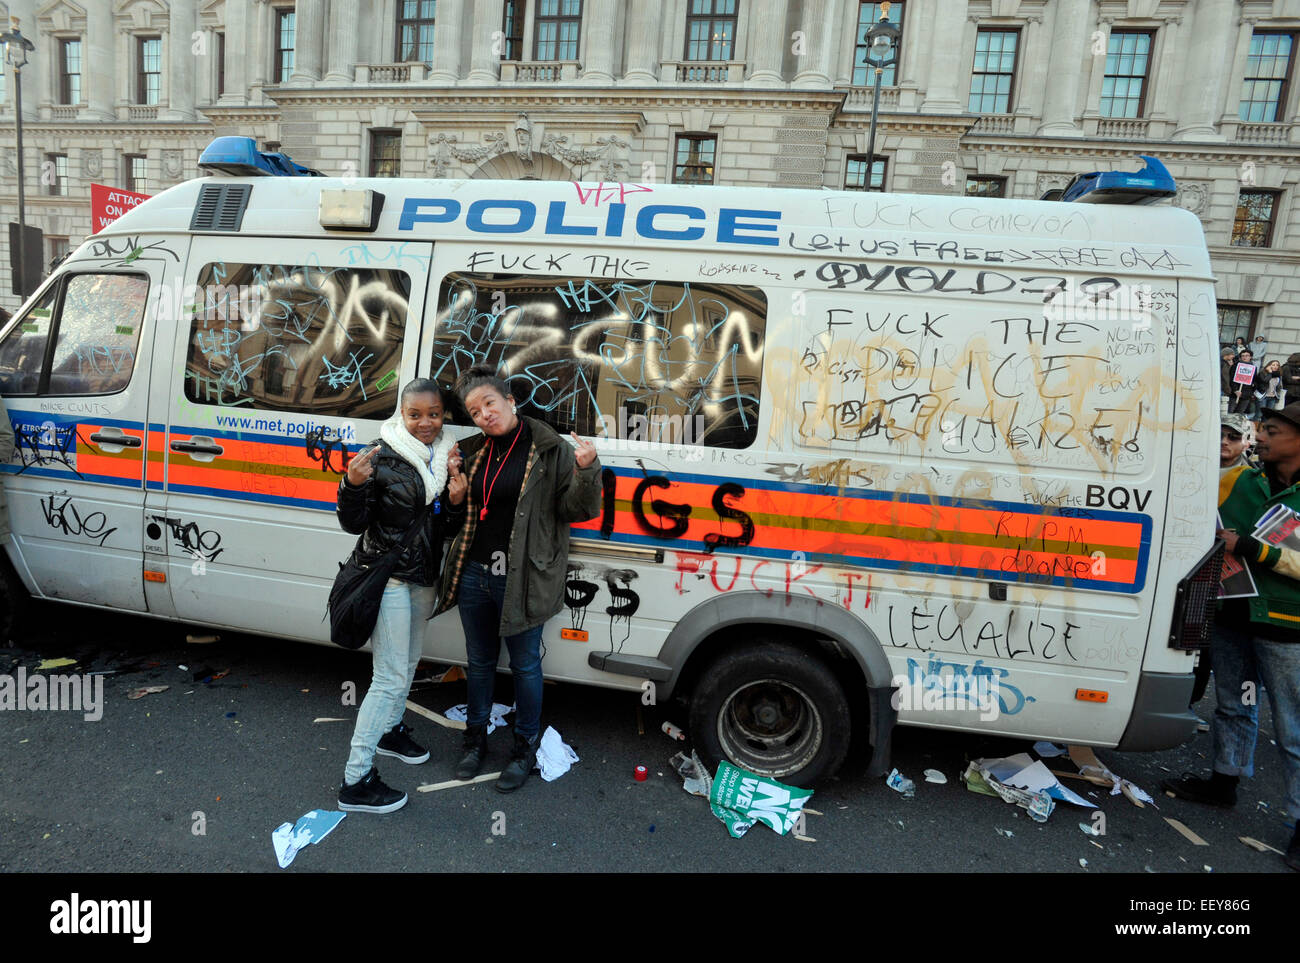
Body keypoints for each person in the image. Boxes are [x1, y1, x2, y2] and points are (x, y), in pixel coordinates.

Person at [435, 365, 602, 793]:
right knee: (479, 661)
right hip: (475, 574)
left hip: (523, 576)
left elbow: (578, 511)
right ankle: (475, 742)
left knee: (526, 666)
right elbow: (457, 517)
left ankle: (524, 747)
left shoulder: (549, 450)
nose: (484, 415)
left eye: (490, 404)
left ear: (510, 401)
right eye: (474, 411)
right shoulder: (472, 451)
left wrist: (588, 470)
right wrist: (454, 495)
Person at [1163, 402, 1300, 871]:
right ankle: (1224, 782)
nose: (1259, 437)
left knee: (1292, 729)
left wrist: (1252, 548)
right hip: (1234, 616)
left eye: (1272, 431)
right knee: (1234, 705)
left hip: (1287, 629)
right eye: (1260, 429)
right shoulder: (1241, 481)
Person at [335, 379, 466, 814]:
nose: (425, 422)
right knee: (389, 677)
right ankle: (356, 779)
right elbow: (353, 524)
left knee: (410, 663)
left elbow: (442, 527)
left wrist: (456, 499)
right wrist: (352, 485)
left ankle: (390, 731)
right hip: (388, 577)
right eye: (416, 414)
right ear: (401, 414)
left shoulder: (446, 455)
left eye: (434, 413)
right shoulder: (380, 455)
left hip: (423, 576)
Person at [1229, 349, 1256, 416]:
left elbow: (1254, 380)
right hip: (1235, 393)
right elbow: (1231, 379)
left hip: (1246, 394)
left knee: (1239, 414)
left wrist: (1251, 391)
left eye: (1247, 355)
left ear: (1250, 357)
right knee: (1230, 412)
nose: (1244, 357)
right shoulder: (1235, 366)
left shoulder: (1254, 367)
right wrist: (1235, 390)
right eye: (1243, 356)